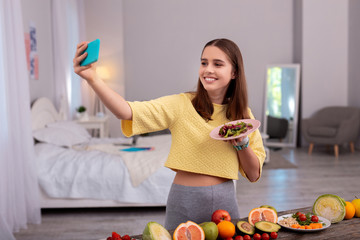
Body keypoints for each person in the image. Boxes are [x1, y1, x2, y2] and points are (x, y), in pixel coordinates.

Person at [73, 38, 265, 230]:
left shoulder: (243, 118)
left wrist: (242, 143)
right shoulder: (181, 104)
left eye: (218, 64)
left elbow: (253, 173)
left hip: (225, 201)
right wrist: (93, 78)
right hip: (185, 200)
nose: (207, 69)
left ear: (234, 72)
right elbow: (126, 111)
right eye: (204, 62)